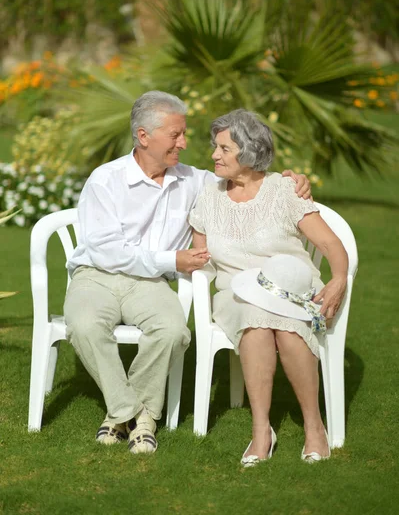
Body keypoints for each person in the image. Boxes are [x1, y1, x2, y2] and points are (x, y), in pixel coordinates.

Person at [64, 92, 311, 456]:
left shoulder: (193, 181)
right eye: (176, 135)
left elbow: (245, 174)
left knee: (173, 332)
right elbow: (106, 251)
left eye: (184, 134)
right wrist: (171, 259)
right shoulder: (106, 180)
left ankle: (125, 418)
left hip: (150, 284)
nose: (184, 143)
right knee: (84, 327)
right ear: (144, 136)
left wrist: (290, 180)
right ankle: (134, 414)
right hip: (96, 275)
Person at [189, 109, 348, 466]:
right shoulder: (209, 197)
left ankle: (313, 426)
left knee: (285, 326)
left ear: (248, 152)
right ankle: (261, 430)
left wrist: (338, 279)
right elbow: (200, 256)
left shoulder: (283, 190)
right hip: (235, 293)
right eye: (216, 147)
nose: (215, 155)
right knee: (255, 315)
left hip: (291, 286)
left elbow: (330, 245)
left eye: (224, 148)